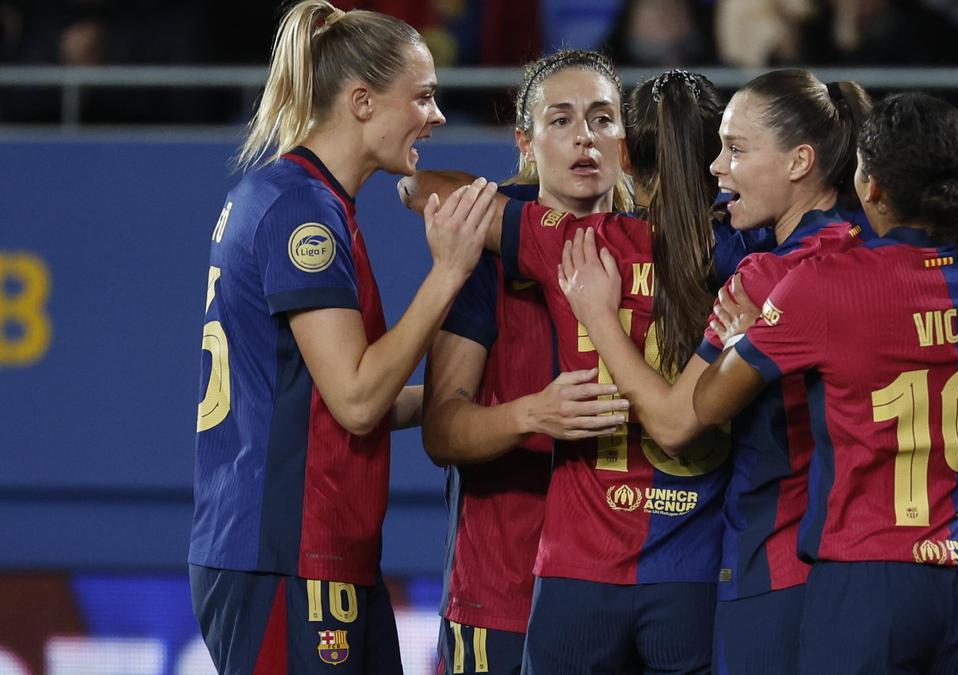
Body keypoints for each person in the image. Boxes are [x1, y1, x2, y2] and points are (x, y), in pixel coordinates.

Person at [692, 92, 958, 674]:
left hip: (869, 582)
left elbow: (707, 402)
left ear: (870, 187)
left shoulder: (823, 285)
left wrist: (748, 337)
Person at [187, 2, 497, 673]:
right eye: (422, 97)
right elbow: (356, 399)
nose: (436, 116)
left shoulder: (304, 199)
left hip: (316, 554)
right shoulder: (304, 214)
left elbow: (337, 401)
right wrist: (447, 273)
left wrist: (490, 403)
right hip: (288, 557)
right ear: (361, 101)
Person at [559, 68, 873, 675]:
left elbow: (675, 423)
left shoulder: (763, 277)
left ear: (799, 161)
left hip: (774, 565)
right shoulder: (878, 251)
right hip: (869, 572)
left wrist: (598, 317)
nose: (714, 168)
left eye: (735, 150)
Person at [418, 54, 635, 675]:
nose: (584, 137)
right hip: (503, 601)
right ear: (525, 142)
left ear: (625, 138)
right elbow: (441, 430)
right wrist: (532, 414)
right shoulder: (482, 263)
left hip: (633, 596)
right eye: (560, 120)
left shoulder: (658, 252)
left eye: (601, 118)